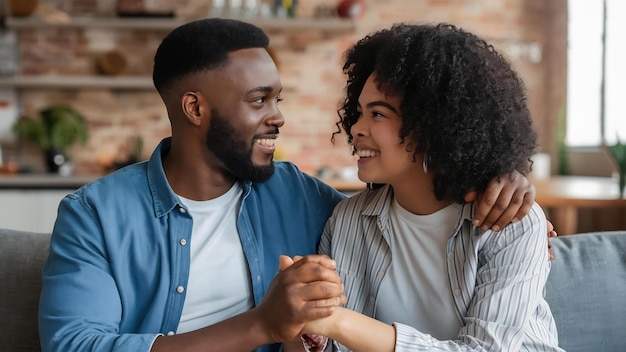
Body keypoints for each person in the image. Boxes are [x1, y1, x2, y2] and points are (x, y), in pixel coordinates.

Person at [38, 18, 540, 352]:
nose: (279, 118)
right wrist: (261, 325)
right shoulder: (95, 214)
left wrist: (507, 179)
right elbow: (75, 344)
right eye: (259, 100)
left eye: (278, 99)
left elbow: (419, 209)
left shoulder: (304, 198)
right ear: (195, 108)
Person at [290, 23, 562, 351]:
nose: (357, 129)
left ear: (433, 125)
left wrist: (338, 322)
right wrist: (306, 330)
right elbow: (334, 343)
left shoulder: (509, 222)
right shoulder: (348, 221)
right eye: (359, 113)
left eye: (377, 114)